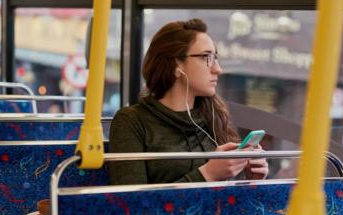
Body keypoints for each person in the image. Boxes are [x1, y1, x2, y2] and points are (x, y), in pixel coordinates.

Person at [109, 18, 268, 185]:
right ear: (175, 65)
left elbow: (228, 196)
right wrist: (208, 174)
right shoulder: (131, 121)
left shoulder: (214, 115)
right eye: (206, 57)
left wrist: (249, 180)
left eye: (216, 58)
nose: (218, 69)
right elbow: (129, 205)